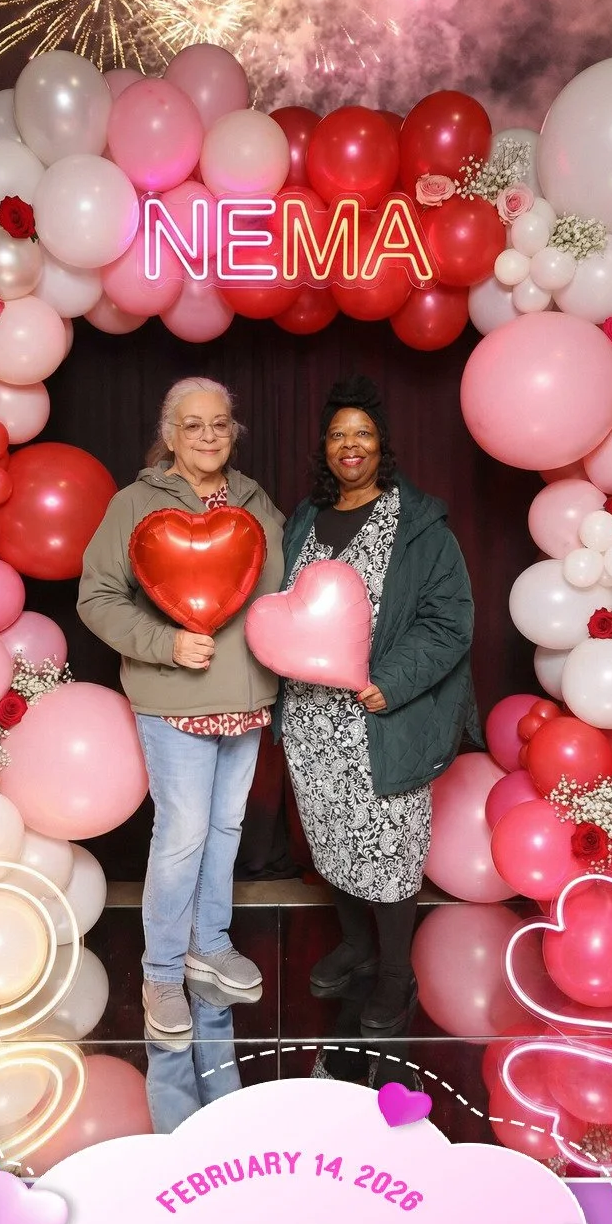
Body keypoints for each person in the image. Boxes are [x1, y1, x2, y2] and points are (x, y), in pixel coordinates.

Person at [77, 377, 284, 1059]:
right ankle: (161, 974)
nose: (208, 436)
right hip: (174, 698)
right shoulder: (134, 504)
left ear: (233, 431)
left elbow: (278, 594)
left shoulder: (255, 501)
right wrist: (163, 643)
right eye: (192, 425)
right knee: (183, 834)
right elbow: (98, 598)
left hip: (246, 697)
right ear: (170, 434)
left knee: (226, 825)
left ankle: (209, 947)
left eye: (219, 424)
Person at [276, 374, 477, 1042]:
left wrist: (389, 680)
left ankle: (397, 973)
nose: (349, 444)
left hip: (379, 718)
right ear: (325, 448)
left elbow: (450, 621)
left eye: (362, 432)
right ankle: (357, 944)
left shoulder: (418, 525)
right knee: (335, 841)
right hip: (312, 722)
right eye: (338, 434)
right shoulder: (306, 517)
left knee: (390, 848)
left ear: (381, 445)